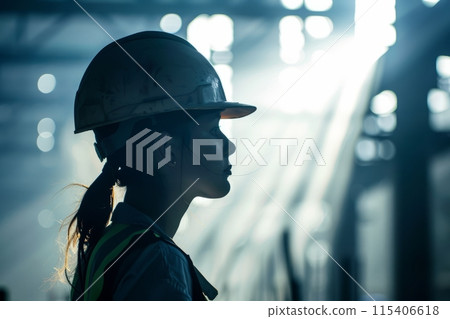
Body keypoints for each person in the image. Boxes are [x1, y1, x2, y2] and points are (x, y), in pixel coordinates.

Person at [60, 31, 256, 300]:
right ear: (161, 147)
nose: (227, 146)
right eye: (212, 130)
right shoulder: (158, 262)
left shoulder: (109, 248)